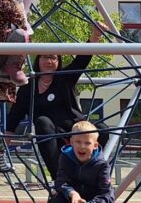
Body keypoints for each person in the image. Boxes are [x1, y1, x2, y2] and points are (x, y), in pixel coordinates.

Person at [7, 25, 108, 177]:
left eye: (53, 58)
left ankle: (90, 170)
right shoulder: (28, 88)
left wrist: (95, 36)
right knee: (42, 121)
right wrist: (5, 140)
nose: (49, 61)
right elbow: (15, 114)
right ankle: (58, 176)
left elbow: (81, 61)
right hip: (52, 138)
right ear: (38, 60)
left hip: (76, 134)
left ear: (58, 62)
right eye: (45, 57)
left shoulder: (64, 79)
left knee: (102, 128)